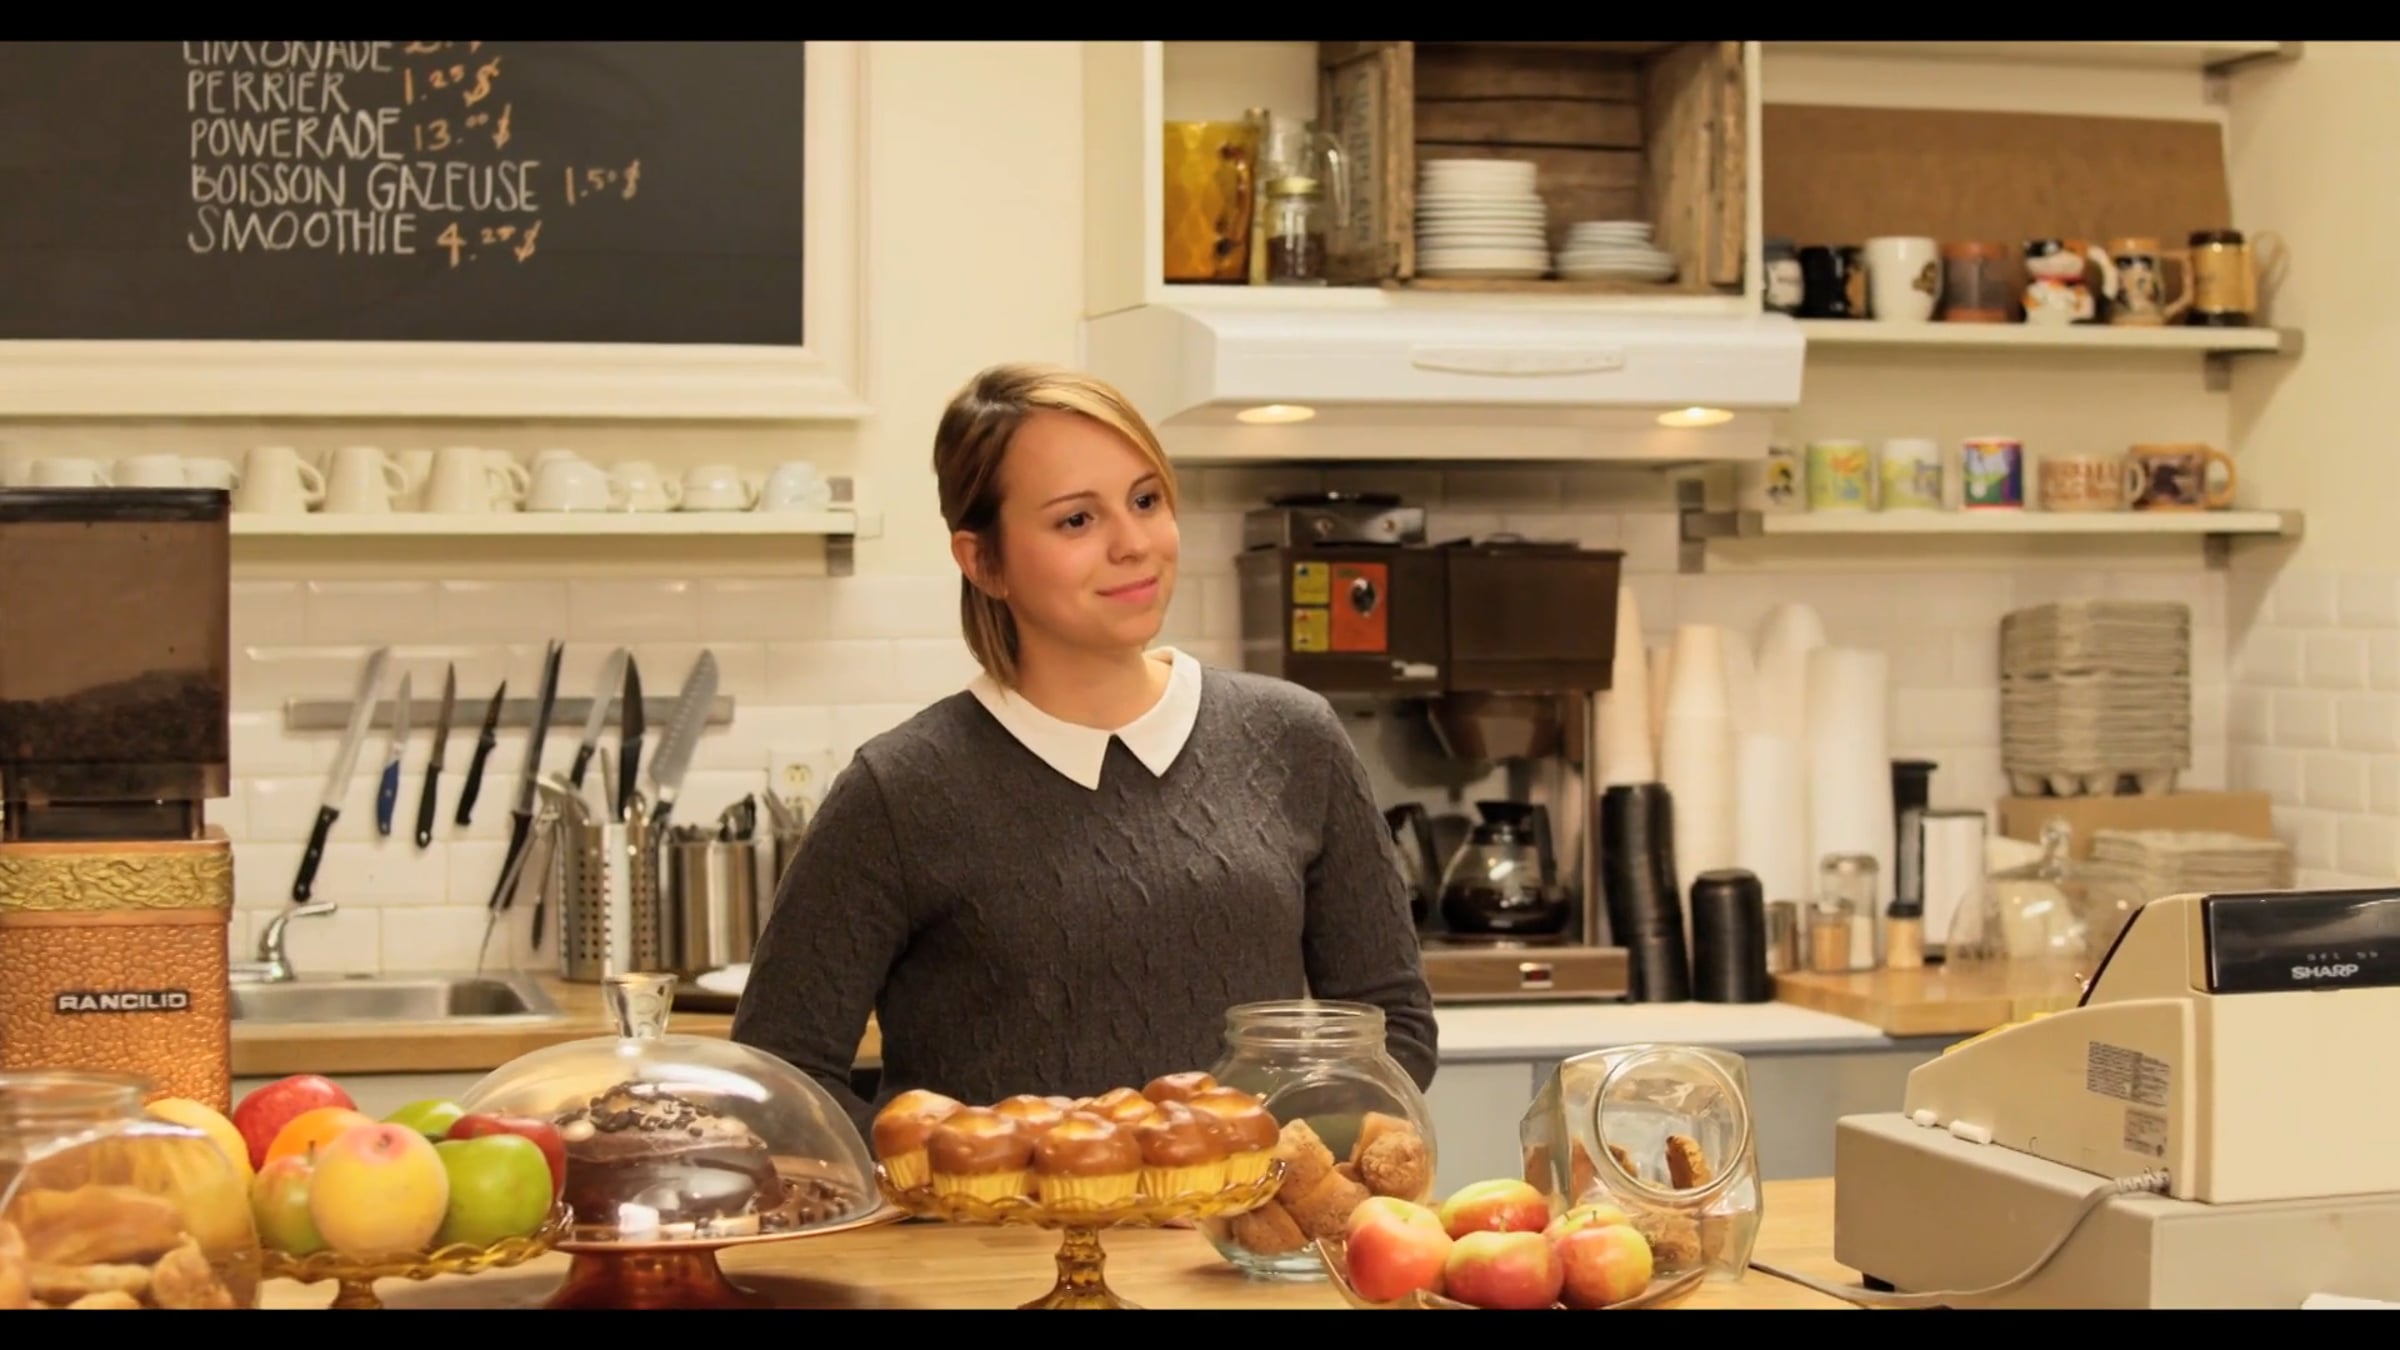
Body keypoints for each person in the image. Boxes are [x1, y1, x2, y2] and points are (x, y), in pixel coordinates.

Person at [732, 362, 1437, 1136]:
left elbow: (1393, 1028)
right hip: (992, 1222)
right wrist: (939, 1176)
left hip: (1244, 1218)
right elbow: (780, 1077)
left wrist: (1274, 1167)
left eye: (1146, 500)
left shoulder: (1295, 738)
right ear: (983, 561)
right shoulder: (899, 790)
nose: (1133, 544)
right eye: (1076, 520)